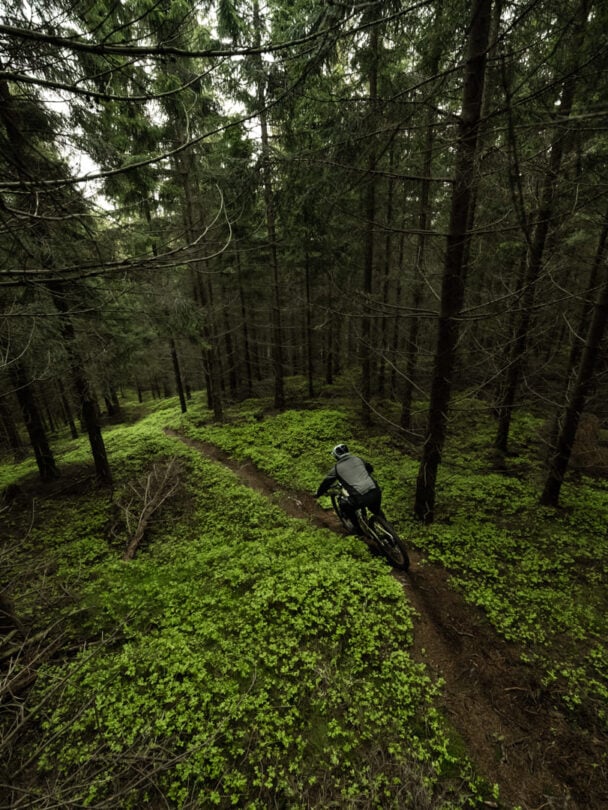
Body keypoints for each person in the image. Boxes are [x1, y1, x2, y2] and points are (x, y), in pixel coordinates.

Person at [314, 443, 383, 531]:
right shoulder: (358, 459)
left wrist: (319, 493)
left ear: (336, 456)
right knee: (376, 511)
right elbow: (370, 469)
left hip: (360, 498)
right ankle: (387, 526)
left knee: (344, 505)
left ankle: (357, 528)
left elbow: (326, 483)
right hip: (376, 492)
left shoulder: (336, 468)